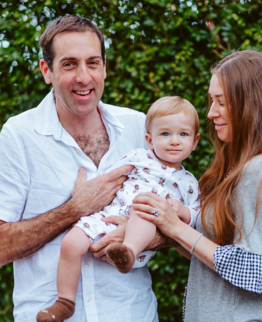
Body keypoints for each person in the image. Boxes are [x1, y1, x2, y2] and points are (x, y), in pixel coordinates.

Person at [0, 15, 168, 322]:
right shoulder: (19, 136)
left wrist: (143, 237)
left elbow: (174, 212)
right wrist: (74, 209)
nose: (84, 76)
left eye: (93, 62)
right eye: (69, 64)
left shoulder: (139, 128)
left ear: (105, 67)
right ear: (46, 71)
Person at [133, 50, 262, 322]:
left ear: (251, 104)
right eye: (211, 101)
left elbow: (251, 271)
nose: (210, 113)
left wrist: (175, 227)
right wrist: (169, 228)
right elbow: (217, 258)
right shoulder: (239, 167)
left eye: (221, 102)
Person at [36, 96, 201, 322]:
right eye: (165, 134)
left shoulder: (190, 182)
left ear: (195, 142)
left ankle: (128, 252)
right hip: (107, 215)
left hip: (141, 227)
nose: (174, 141)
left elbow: (197, 218)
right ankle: (65, 301)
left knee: (143, 208)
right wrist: (82, 195)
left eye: (183, 134)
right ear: (149, 140)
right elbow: (107, 178)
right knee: (70, 243)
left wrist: (183, 211)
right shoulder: (139, 157)